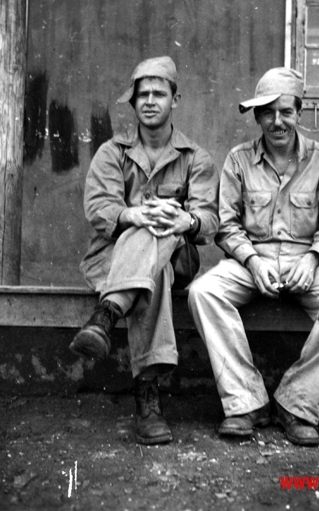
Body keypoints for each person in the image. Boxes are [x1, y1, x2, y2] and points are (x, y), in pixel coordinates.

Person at [188, 67, 319, 446]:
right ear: (257, 117)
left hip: (307, 261)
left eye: (286, 112)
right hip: (249, 260)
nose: (277, 122)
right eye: (268, 113)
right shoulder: (238, 160)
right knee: (203, 292)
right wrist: (252, 261)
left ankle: (297, 404)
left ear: (299, 114)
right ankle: (245, 402)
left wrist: (314, 257)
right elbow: (226, 223)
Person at [70, 56, 219, 445]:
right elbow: (98, 210)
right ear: (133, 103)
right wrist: (132, 214)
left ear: (175, 99)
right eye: (143, 95)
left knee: (161, 228)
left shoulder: (195, 158)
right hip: (112, 260)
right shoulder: (111, 152)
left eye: (159, 93)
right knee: (155, 271)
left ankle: (106, 314)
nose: (150, 101)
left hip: (178, 254)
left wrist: (185, 221)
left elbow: (210, 218)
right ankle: (147, 397)